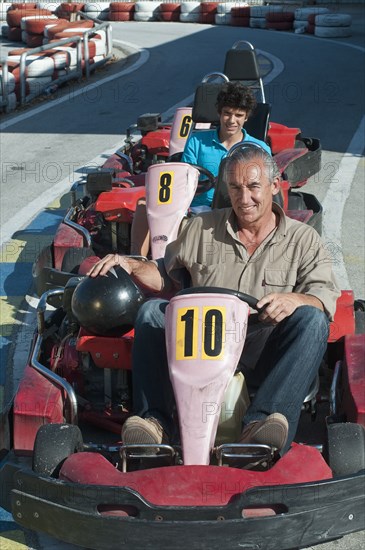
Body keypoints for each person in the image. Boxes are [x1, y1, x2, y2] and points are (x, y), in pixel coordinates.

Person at [88, 144, 340, 455]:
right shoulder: (200, 228)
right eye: (235, 187)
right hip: (199, 344)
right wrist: (130, 263)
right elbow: (165, 276)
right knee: (153, 312)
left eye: (253, 187)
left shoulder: (303, 239)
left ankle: (260, 427)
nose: (243, 198)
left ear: (274, 186)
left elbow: (323, 297)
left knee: (312, 319)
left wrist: (294, 299)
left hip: (262, 343)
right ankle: (154, 422)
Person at [130, 82, 271, 256]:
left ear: (246, 117)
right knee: (144, 205)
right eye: (227, 113)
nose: (232, 120)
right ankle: (139, 260)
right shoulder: (197, 142)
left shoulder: (258, 148)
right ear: (219, 113)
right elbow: (183, 181)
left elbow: (264, 191)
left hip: (240, 209)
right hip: (200, 209)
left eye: (238, 115)